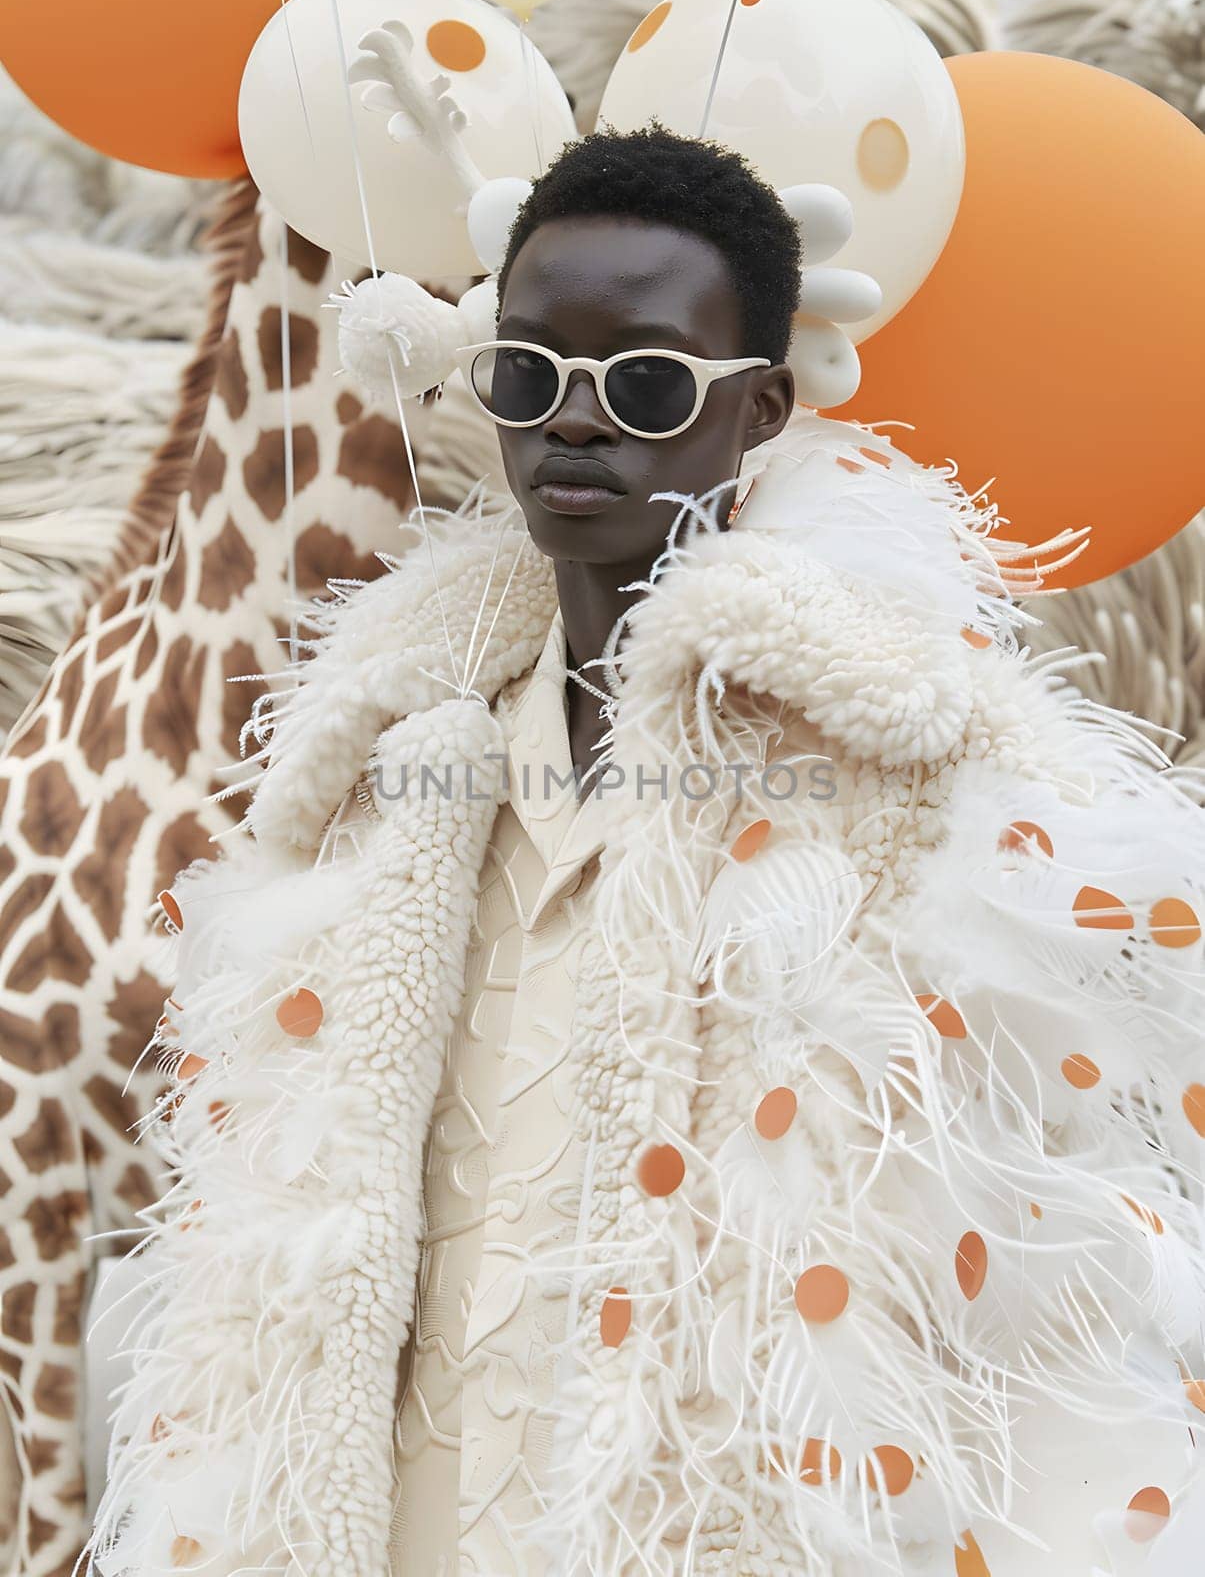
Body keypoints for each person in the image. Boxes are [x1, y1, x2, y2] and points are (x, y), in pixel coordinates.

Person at [91, 128, 1205, 1577]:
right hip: (393, 1513)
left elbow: (1017, 1267)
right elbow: (271, 1213)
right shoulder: (384, 765)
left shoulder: (909, 773)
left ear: (757, 412)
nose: (574, 424)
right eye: (526, 372)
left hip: (700, 1519)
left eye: (646, 382)